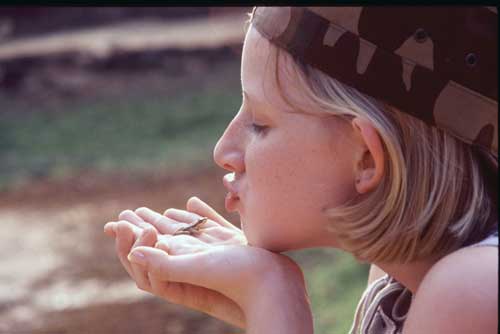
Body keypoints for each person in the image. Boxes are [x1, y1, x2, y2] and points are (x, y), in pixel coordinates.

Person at [103, 6, 498, 333]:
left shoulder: (474, 289)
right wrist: (252, 305)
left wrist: (272, 299)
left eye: (260, 124)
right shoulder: (398, 280)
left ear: (366, 158)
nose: (223, 151)